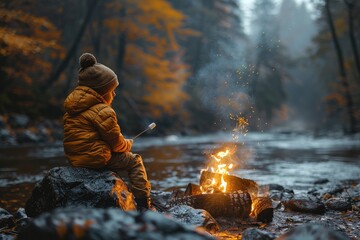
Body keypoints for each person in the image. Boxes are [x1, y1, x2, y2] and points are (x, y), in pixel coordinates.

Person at [63, 53, 151, 211]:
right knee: (135, 161)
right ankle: (144, 205)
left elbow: (88, 139)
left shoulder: (71, 110)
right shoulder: (104, 111)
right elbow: (116, 144)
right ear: (102, 92)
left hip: (76, 160)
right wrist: (127, 145)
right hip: (95, 160)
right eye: (112, 90)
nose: (114, 94)